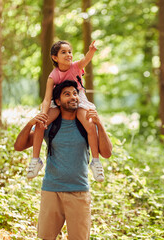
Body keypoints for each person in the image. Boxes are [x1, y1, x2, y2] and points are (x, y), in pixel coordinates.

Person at [14, 80, 112, 239]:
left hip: (79, 191)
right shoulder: (49, 125)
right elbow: (19, 146)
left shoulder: (86, 125)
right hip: (51, 191)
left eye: (75, 93)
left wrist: (99, 124)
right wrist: (31, 122)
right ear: (58, 101)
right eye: (67, 94)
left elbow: (107, 153)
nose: (73, 97)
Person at [27, 40, 105, 182]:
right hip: (58, 100)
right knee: (39, 123)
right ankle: (35, 160)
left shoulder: (76, 67)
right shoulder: (53, 76)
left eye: (70, 52)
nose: (68, 54)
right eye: (64, 52)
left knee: (90, 124)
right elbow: (47, 98)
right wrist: (44, 114)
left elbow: (86, 59)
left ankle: (95, 162)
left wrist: (92, 51)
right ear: (55, 57)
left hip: (77, 98)